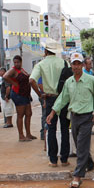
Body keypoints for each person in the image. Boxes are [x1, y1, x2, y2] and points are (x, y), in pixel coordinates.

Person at [46, 52, 94, 188]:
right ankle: (89, 163)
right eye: (74, 64)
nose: (76, 66)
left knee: (81, 146)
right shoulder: (69, 82)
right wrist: (52, 112)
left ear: (82, 65)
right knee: (79, 144)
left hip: (87, 117)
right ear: (71, 66)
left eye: (78, 64)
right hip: (74, 117)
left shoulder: (91, 80)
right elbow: (62, 98)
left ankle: (77, 176)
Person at [29, 39, 70, 167]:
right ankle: (64, 159)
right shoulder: (65, 63)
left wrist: (40, 94)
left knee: (51, 128)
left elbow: (31, 80)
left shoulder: (40, 64)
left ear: (46, 51)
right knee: (64, 128)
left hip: (50, 98)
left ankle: (53, 160)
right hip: (64, 98)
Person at [4, 55, 35, 142]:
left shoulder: (22, 69)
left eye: (18, 62)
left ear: (21, 62)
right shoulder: (13, 70)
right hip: (18, 94)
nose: (16, 64)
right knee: (20, 114)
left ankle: (28, 134)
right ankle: (21, 135)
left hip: (25, 94)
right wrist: (14, 83)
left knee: (28, 113)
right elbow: (5, 76)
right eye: (15, 62)